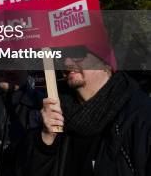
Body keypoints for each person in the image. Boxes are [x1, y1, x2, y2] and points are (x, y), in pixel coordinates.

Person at [23, 46, 151, 175]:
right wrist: (45, 141)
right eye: (62, 56)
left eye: (78, 53)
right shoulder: (54, 113)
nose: (67, 63)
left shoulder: (140, 115)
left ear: (106, 62)